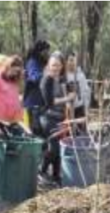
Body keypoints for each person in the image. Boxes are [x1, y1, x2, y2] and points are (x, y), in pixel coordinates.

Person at [37, 52, 75, 185]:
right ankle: (41, 170)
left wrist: (71, 97)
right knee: (54, 148)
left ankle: (56, 175)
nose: (56, 68)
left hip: (62, 117)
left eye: (58, 65)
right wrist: (67, 98)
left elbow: (73, 93)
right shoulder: (46, 80)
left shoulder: (64, 79)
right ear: (48, 65)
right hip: (48, 117)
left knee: (61, 147)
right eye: (53, 65)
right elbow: (49, 102)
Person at [23, 39, 51, 134]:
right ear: (39, 51)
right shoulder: (32, 62)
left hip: (42, 102)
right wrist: (45, 73)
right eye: (46, 51)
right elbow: (34, 78)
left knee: (43, 128)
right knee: (36, 130)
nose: (47, 53)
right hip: (33, 102)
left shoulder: (43, 63)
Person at [66, 51, 92, 123]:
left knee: (80, 132)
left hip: (79, 109)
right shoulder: (64, 76)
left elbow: (86, 93)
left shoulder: (81, 76)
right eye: (70, 60)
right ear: (66, 61)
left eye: (74, 60)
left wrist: (86, 109)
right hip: (66, 110)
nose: (72, 62)